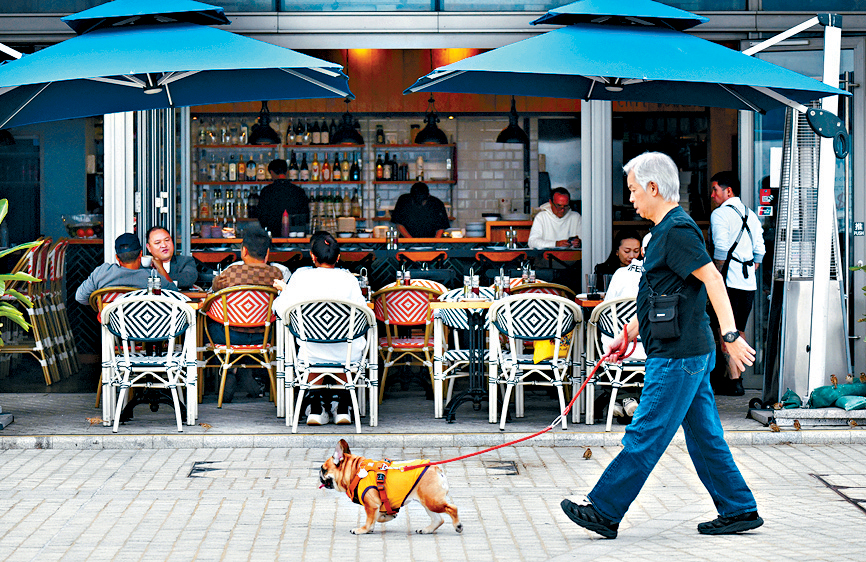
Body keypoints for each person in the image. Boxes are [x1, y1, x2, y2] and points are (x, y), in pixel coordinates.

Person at [561, 152, 761, 539]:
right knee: (705, 437)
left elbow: (713, 280)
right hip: (684, 353)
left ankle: (604, 510)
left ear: (653, 188)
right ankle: (738, 508)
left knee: (646, 432)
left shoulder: (678, 231)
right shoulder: (662, 231)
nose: (631, 198)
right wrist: (631, 331)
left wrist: (731, 336)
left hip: (678, 355)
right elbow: (660, 293)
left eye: (634, 190)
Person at [272, 231, 367, 425]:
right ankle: (342, 407)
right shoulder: (349, 279)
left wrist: (285, 291)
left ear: (312, 256)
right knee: (343, 345)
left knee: (313, 345)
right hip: (346, 354)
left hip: (311, 353)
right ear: (338, 257)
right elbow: (364, 314)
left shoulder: (301, 277)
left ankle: (315, 407)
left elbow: (281, 311)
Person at [207, 225, 284, 403]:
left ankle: (230, 367)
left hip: (230, 337)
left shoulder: (231, 273)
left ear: (244, 251)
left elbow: (214, 289)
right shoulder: (276, 274)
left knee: (208, 323)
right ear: (267, 253)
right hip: (263, 337)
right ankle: (241, 370)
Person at [709, 171, 766, 396]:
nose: (712, 195)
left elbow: (721, 248)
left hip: (728, 282)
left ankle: (733, 380)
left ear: (728, 191)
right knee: (739, 329)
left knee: (723, 328)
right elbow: (760, 250)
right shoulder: (751, 215)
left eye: (715, 190)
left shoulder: (720, 214)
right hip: (747, 284)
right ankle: (737, 378)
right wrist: (749, 269)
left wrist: (716, 276)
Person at [75, 233, 177, 304]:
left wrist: (99, 302)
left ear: (117, 258)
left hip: (114, 326)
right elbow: (176, 295)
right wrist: (160, 268)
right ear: (140, 254)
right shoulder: (152, 277)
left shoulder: (102, 272)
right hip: (146, 326)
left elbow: (80, 297)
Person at [254, 158, 309, 237]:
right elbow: (305, 216)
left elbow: (261, 217)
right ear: (287, 172)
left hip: (272, 236)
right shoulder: (299, 191)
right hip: (295, 236)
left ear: (271, 172)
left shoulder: (266, 192)